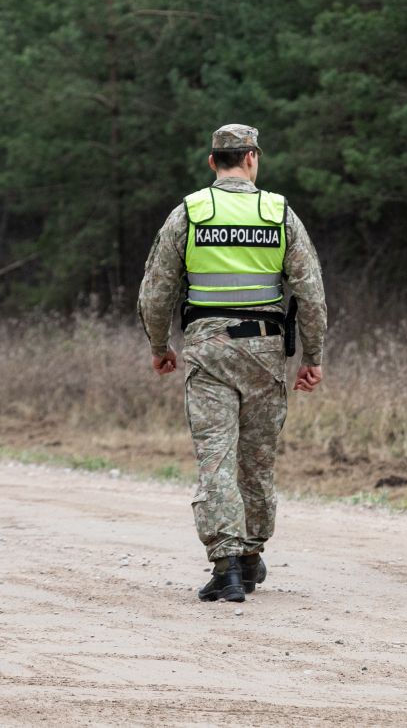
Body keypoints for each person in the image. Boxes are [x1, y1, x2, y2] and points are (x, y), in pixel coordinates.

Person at [138, 123, 327, 603]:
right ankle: (250, 553)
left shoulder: (189, 213)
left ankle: (226, 567)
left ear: (212, 162)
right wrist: (312, 357)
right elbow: (311, 293)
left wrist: (160, 346)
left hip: (208, 350)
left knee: (216, 459)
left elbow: (156, 291)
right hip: (265, 350)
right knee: (257, 459)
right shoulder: (279, 213)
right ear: (252, 158)